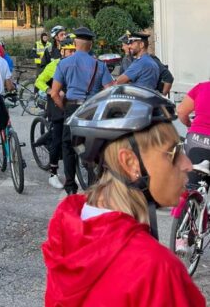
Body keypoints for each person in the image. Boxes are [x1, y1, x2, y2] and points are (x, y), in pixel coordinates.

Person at [43, 84, 205, 306]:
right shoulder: (155, 269)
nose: (187, 164)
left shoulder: (68, 234)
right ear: (130, 163)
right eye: (174, 152)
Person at [50, 27, 114, 195]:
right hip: (93, 109)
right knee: (93, 145)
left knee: (68, 146)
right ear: (91, 44)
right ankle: (95, 184)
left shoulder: (64, 63)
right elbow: (109, 90)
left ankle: (70, 186)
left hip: (72, 107)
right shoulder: (99, 65)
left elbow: (54, 93)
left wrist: (65, 109)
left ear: (75, 43)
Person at [34, 35, 76, 189]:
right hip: (56, 103)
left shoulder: (76, 65)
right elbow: (39, 80)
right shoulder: (54, 65)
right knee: (58, 139)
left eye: (74, 51)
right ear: (62, 51)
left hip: (71, 104)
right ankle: (53, 173)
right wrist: (50, 90)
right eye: (69, 51)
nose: (72, 54)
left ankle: (72, 171)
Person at [177, 80, 210, 187]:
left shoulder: (202, 87)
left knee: (191, 185)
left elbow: (181, 111)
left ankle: (190, 199)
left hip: (196, 139)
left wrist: (188, 125)